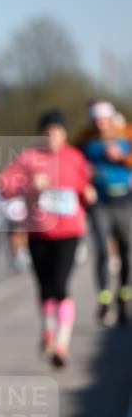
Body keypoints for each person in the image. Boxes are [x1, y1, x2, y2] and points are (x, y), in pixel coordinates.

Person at [0, 110, 96, 368]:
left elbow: (85, 188)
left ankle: (61, 344)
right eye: (47, 130)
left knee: (61, 286)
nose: (52, 135)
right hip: (38, 232)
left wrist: (88, 193)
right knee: (45, 288)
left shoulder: (75, 157)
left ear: (64, 133)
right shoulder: (29, 158)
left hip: (69, 232)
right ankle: (48, 330)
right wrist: (29, 186)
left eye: (57, 130)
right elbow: (4, 186)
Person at [77, 100, 132, 325]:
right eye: (96, 120)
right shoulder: (86, 140)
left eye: (104, 119)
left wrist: (122, 157)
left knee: (127, 249)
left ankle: (124, 299)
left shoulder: (126, 134)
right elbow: (74, 165)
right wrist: (85, 176)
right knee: (101, 248)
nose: (100, 124)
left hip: (124, 201)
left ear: (111, 118)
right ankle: (104, 300)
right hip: (99, 202)